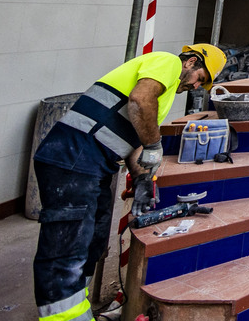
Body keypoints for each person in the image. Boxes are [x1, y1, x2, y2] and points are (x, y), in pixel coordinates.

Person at [32, 44, 225, 321]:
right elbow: (139, 101)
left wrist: (143, 179)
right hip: (73, 156)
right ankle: (64, 316)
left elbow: (136, 143)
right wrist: (155, 144)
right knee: (67, 249)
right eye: (201, 79)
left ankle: (78, 306)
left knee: (92, 242)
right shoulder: (168, 63)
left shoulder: (164, 93)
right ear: (191, 62)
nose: (197, 87)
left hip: (92, 164)